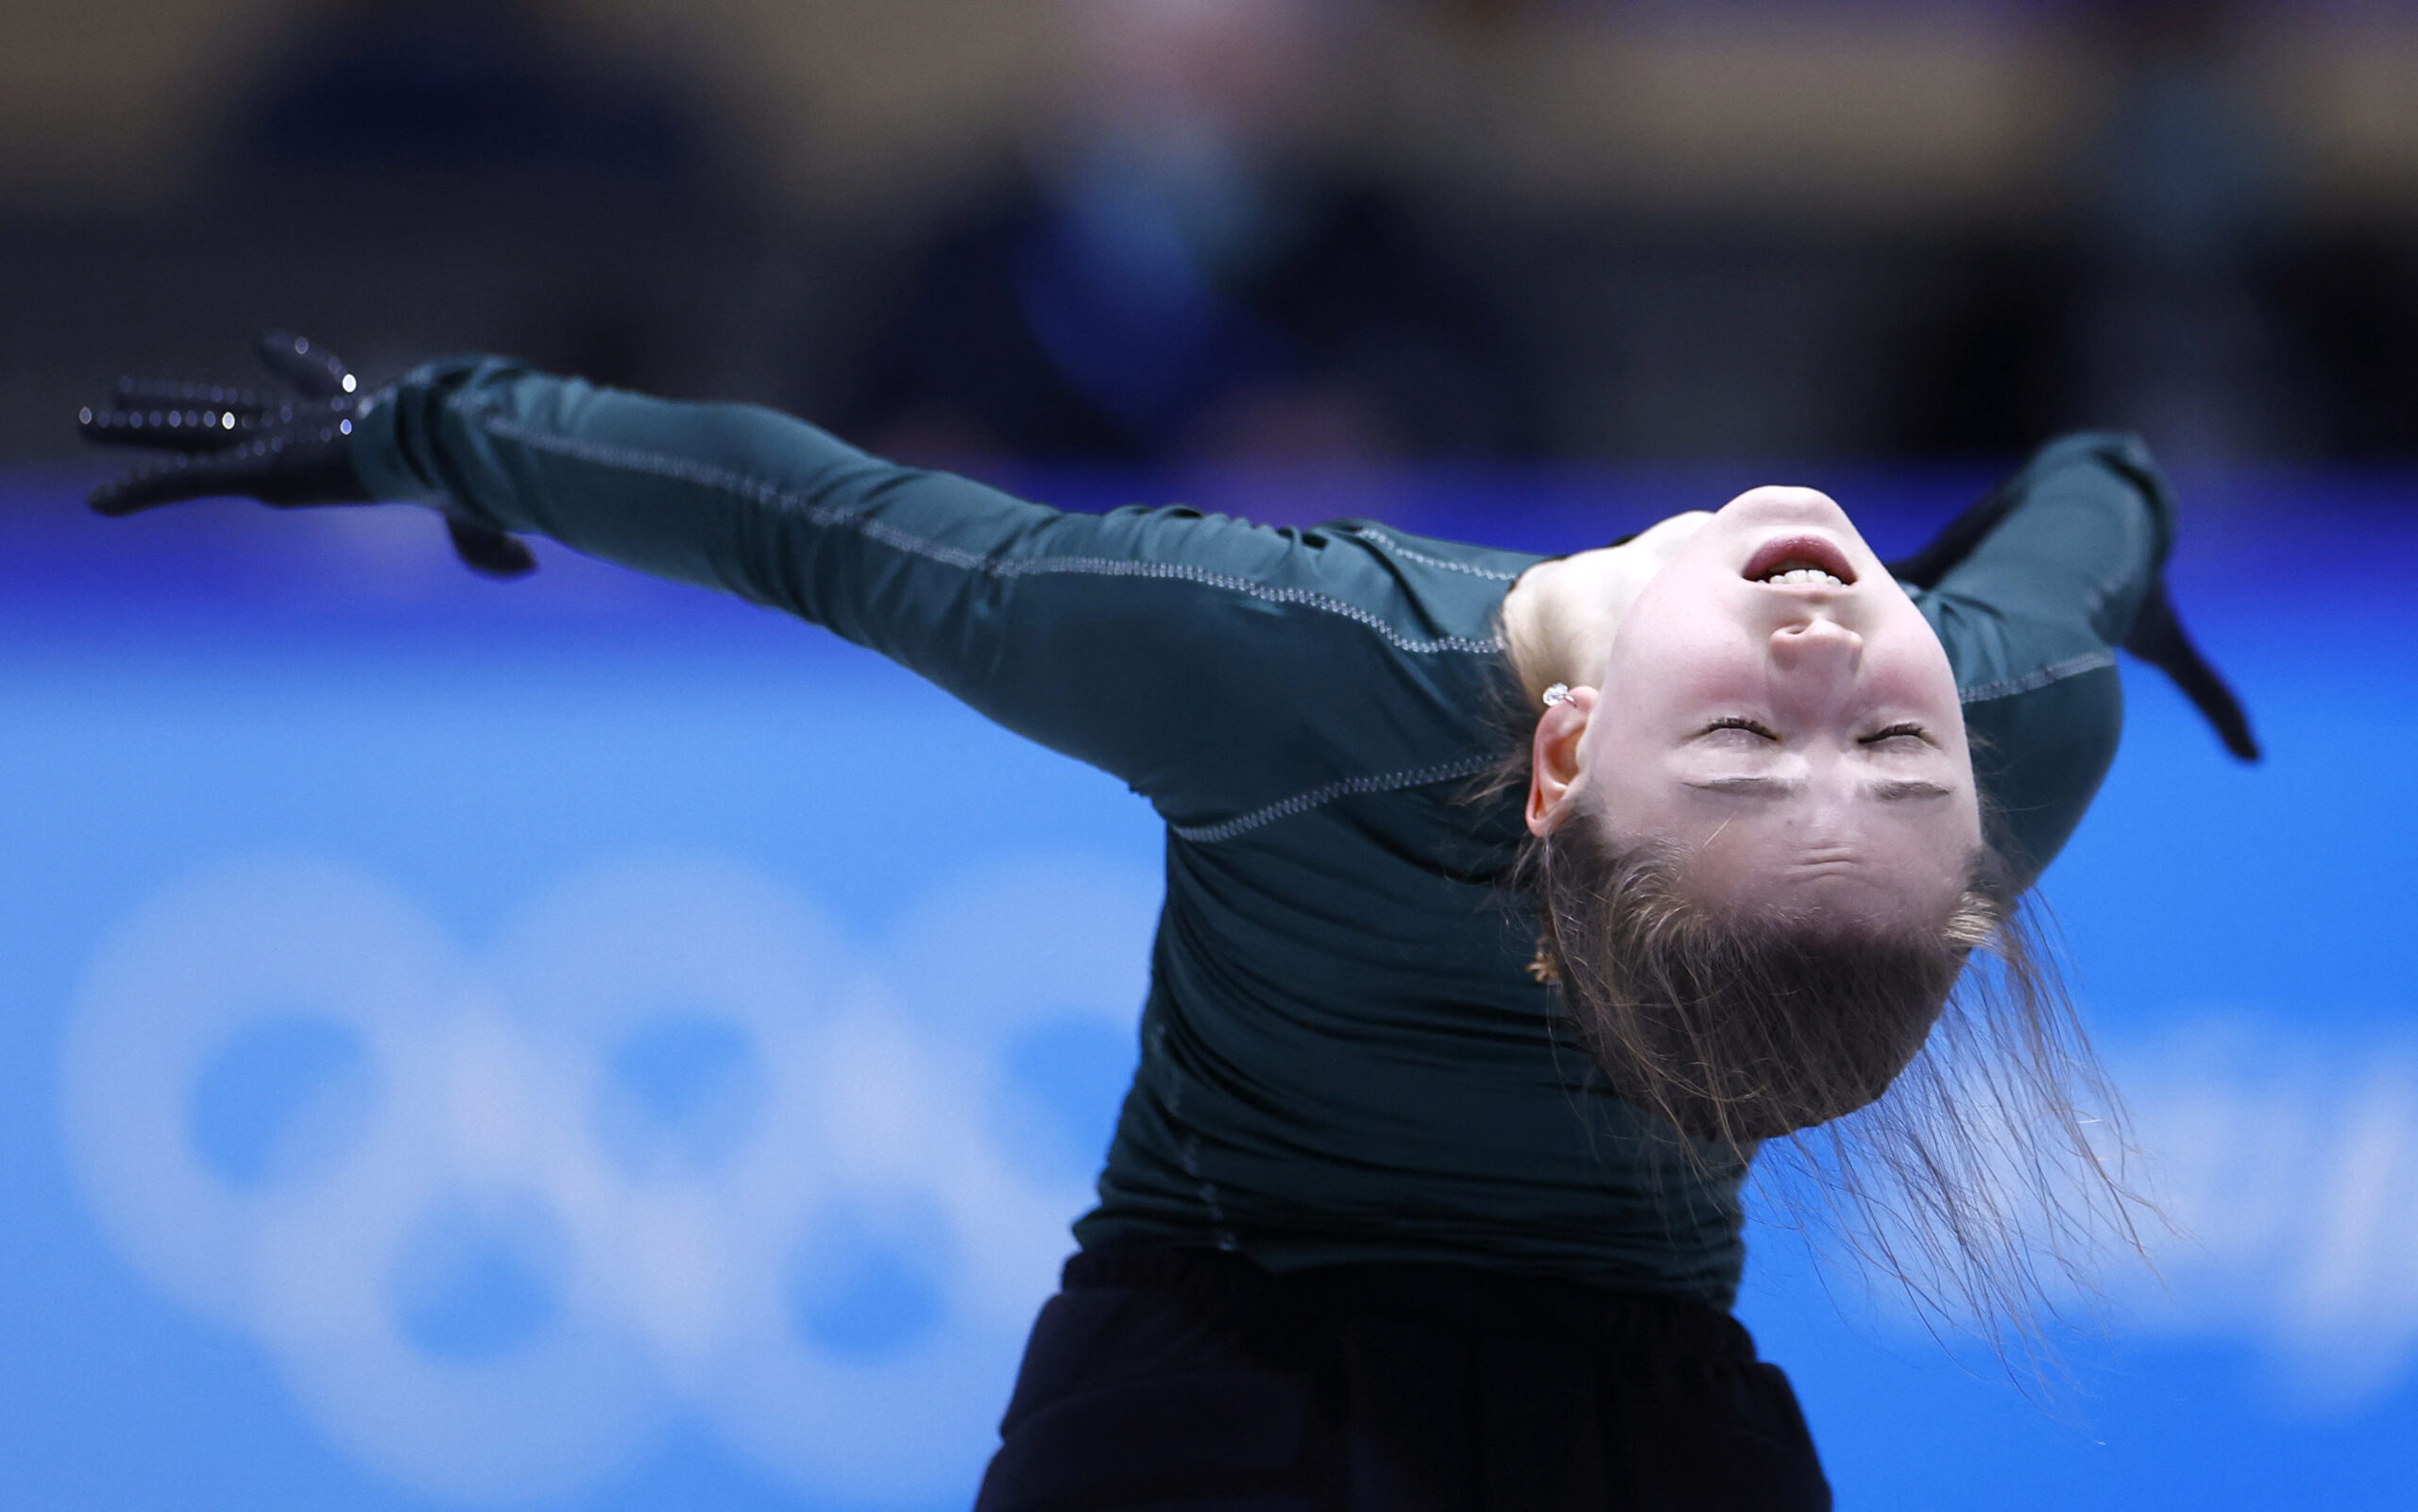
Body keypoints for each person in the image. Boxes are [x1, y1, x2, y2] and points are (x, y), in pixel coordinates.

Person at [78, 335, 2256, 1511]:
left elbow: (819, 527)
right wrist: (2087, 535)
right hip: (1421, 1419)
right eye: (1881, 758)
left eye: (1759, 764)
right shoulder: (2008, 716)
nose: (1828, 701)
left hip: (1253, 1401)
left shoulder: (1265, 667)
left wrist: (426, 429)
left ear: (1564, 767)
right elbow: (2099, 509)